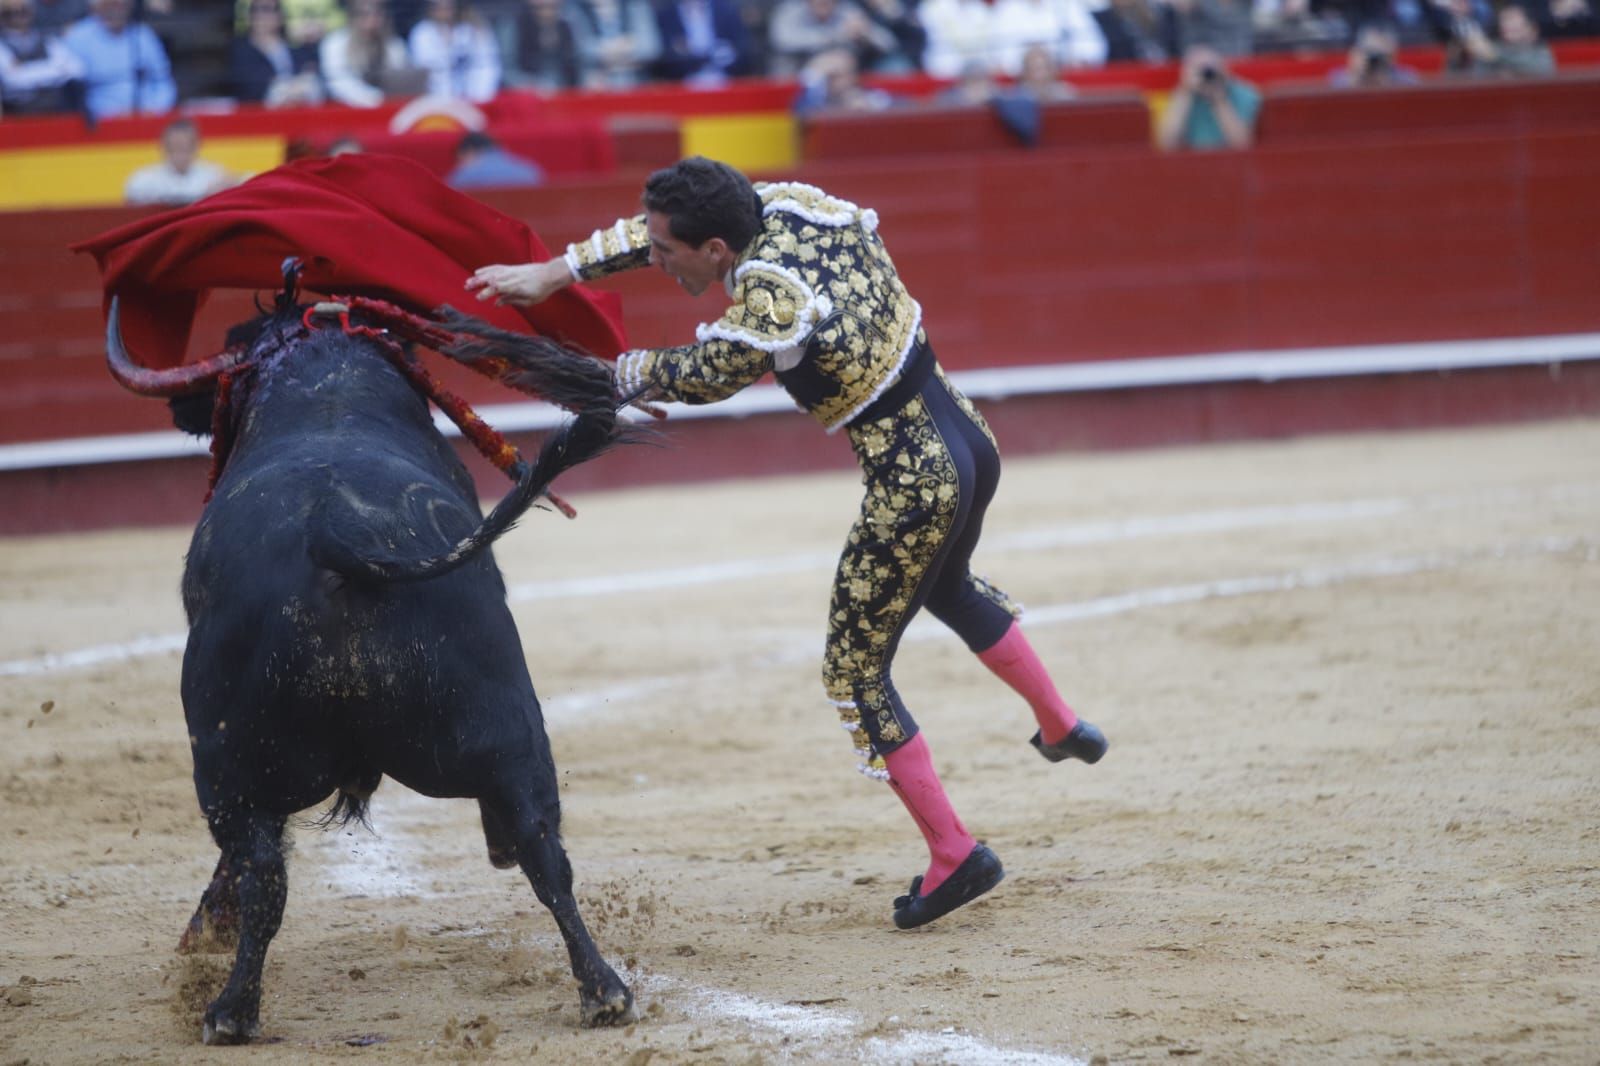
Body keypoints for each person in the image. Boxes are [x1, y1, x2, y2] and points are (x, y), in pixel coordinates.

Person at [466, 157, 1110, 930]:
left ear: (714, 249)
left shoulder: (773, 300)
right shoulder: (781, 204)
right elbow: (656, 235)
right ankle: (1061, 725)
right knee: (948, 587)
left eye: (670, 252)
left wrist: (610, 374)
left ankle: (954, 854)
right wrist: (556, 272)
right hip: (969, 442)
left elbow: (706, 373)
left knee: (854, 672)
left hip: (914, 479)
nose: (656, 259)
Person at [60, 0, 176, 121]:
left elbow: (163, 81)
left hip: (147, 119)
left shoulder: (143, 35)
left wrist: (155, 108)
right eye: (111, 3)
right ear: (95, 7)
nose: (118, 9)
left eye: (123, 4)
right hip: (97, 124)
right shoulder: (77, 38)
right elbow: (73, 93)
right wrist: (107, 113)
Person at [1155, 42, 1260, 151]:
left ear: (1224, 69)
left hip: (1231, 160)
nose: (1206, 75)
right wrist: (1185, 93)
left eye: (1210, 69)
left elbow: (1241, 145)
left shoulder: (1244, 94)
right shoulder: (1181, 95)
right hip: (1192, 161)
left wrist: (1219, 100)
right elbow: (1167, 144)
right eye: (1199, 69)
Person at [318, 0, 414, 106]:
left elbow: (401, 80)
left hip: (388, 108)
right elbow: (338, 81)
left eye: (377, 15)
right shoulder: (335, 43)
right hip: (346, 110)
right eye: (364, 15)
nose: (371, 22)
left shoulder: (394, 44)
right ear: (352, 18)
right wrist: (374, 98)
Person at [228, 0, 323, 106]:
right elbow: (250, 88)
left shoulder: (294, 47)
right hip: (260, 116)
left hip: (298, 111)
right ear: (251, 15)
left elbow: (311, 73)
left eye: (273, 10)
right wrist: (283, 91)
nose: (266, 16)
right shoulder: (241, 50)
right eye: (261, 10)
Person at [0, 0, 86, 115]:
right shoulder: (2, 45)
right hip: (18, 114)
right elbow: (13, 80)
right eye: (9, 13)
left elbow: (77, 70)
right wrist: (54, 69)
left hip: (55, 110)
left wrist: (24, 70)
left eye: (23, 11)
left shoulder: (48, 40)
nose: (17, 16)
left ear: (31, 12)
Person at [124, 117, 235, 206]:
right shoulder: (143, 179)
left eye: (185, 147)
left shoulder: (215, 176)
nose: (180, 154)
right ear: (163, 146)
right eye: (174, 147)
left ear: (197, 146)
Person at [407, 0, 500, 99]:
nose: (444, 12)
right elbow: (425, 69)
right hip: (436, 100)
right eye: (439, 7)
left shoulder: (471, 30)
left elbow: (486, 65)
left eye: (448, 7)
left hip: (475, 97)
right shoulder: (422, 33)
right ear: (431, 9)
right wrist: (446, 46)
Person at [650, 0, 754, 84]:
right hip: (682, 87)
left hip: (728, 82)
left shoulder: (726, 10)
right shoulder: (665, 15)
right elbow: (663, 59)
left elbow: (743, 50)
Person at [791, 44, 893, 113]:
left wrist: (870, 108)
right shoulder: (817, 101)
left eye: (837, 75)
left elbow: (903, 107)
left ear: (853, 76)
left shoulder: (873, 98)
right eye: (828, 76)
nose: (831, 81)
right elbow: (800, 111)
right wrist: (814, 75)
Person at [1327, 22, 1420, 86]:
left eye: (1381, 55)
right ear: (1357, 52)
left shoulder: (1407, 78)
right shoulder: (1340, 78)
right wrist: (1356, 76)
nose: (1375, 60)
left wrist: (1386, 81)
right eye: (1371, 53)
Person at [446, 129, 545, 188]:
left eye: (460, 159)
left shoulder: (464, 175)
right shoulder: (530, 169)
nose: (460, 164)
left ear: (469, 152)